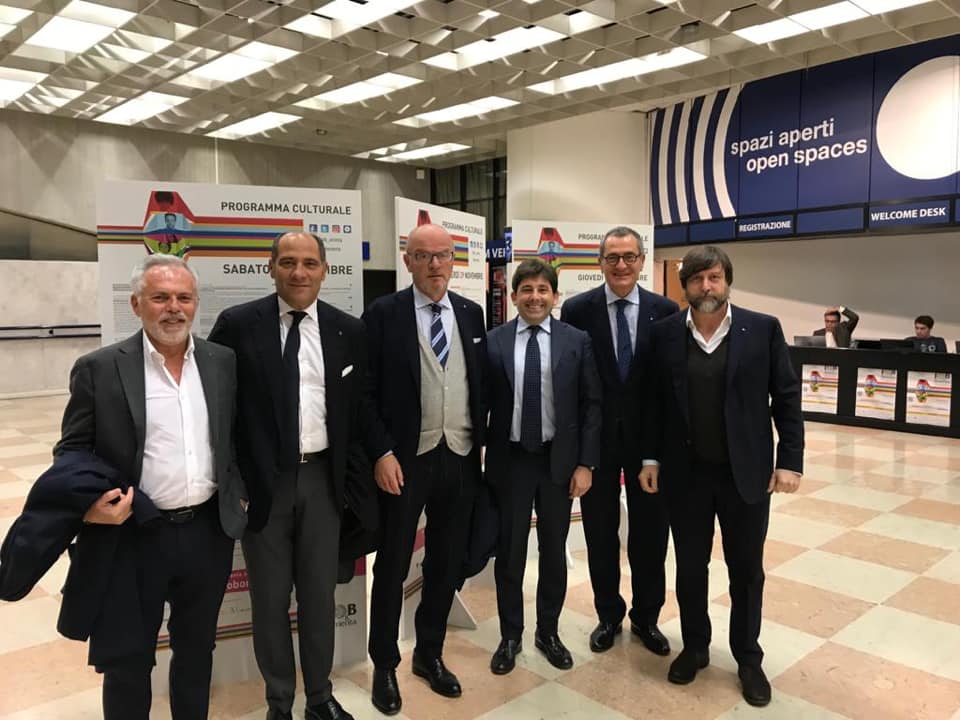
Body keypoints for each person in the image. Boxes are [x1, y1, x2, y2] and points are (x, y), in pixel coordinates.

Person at [54, 254, 247, 720]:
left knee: (197, 650)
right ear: (137, 304)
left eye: (184, 298)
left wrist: (239, 491)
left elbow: (235, 437)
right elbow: (71, 451)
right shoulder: (99, 368)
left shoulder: (221, 362)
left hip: (207, 532)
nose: (174, 308)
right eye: (160, 297)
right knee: (127, 658)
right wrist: (91, 504)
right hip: (133, 535)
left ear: (196, 303)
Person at [208, 231, 374, 720]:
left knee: (320, 598)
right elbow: (216, 408)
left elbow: (359, 410)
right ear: (272, 267)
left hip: (323, 483)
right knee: (270, 600)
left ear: (324, 270)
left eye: (308, 263)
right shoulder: (238, 325)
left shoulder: (348, 330)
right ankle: (279, 702)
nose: (298, 272)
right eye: (287, 262)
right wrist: (232, 481)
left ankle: (319, 697)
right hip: (264, 487)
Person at [639, 245, 803, 708]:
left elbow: (786, 397)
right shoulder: (665, 333)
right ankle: (695, 647)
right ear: (684, 286)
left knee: (746, 570)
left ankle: (748, 657)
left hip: (745, 476)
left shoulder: (762, 329)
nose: (706, 286)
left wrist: (790, 460)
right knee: (691, 567)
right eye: (696, 279)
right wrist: (650, 459)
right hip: (685, 475)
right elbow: (653, 402)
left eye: (714, 277)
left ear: (727, 280)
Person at [362, 223, 487, 715]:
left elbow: (480, 384)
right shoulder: (383, 314)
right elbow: (365, 393)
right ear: (408, 261)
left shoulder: (471, 314)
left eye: (443, 255)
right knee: (392, 564)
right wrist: (381, 452)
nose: (435, 264)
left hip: (460, 457)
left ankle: (429, 654)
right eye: (423, 255)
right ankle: (384, 664)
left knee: (445, 561)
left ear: (454, 260)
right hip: (404, 462)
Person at [560, 226, 678, 656]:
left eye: (629, 256)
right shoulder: (577, 310)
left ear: (642, 260)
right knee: (600, 533)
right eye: (612, 257)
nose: (622, 265)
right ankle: (608, 614)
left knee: (651, 535)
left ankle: (647, 618)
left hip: (650, 449)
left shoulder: (666, 311)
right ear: (600, 263)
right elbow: (571, 381)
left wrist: (657, 454)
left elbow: (668, 387)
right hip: (598, 445)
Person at [486, 259, 601, 675]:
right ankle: (510, 635)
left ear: (555, 296)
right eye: (527, 289)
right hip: (512, 461)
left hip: (559, 462)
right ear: (514, 295)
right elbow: (480, 401)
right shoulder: (494, 341)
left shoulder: (576, 341)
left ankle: (548, 632)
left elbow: (591, 405)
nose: (535, 297)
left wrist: (586, 463)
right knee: (510, 552)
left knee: (553, 550)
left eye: (542, 290)